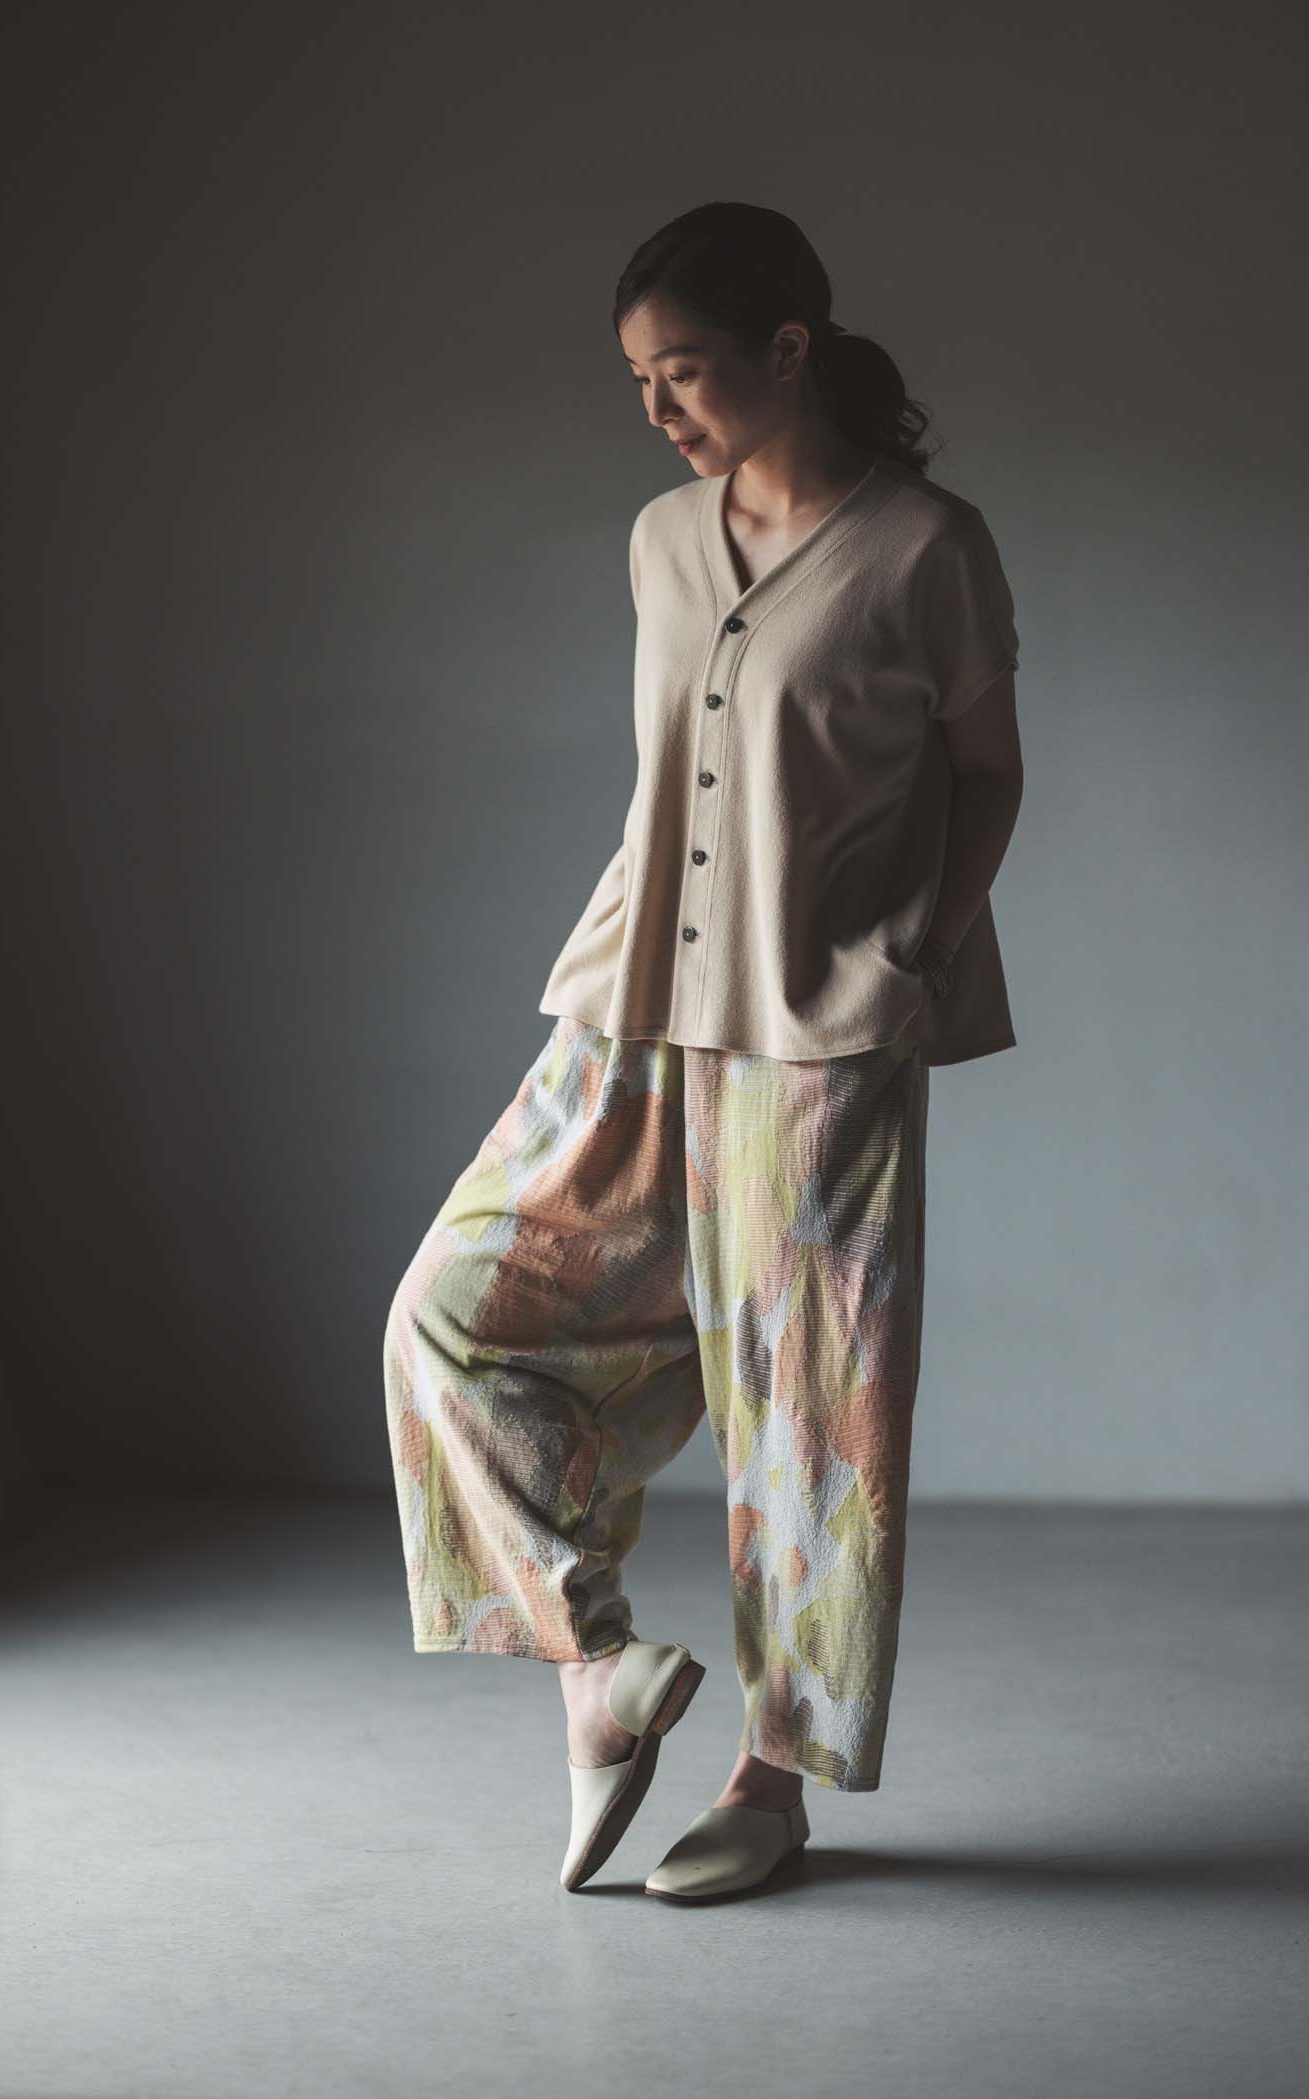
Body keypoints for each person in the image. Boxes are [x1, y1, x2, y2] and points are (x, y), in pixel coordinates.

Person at [382, 199, 1024, 1902]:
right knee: (449, 1316)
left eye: (683, 370)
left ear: (788, 348)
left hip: (821, 1032)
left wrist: (919, 950)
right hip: (633, 997)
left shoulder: (928, 549)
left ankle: (772, 1780)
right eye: (637, 381)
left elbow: (990, 772)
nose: (658, 407)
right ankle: (595, 1667)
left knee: (810, 1414)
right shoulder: (662, 539)